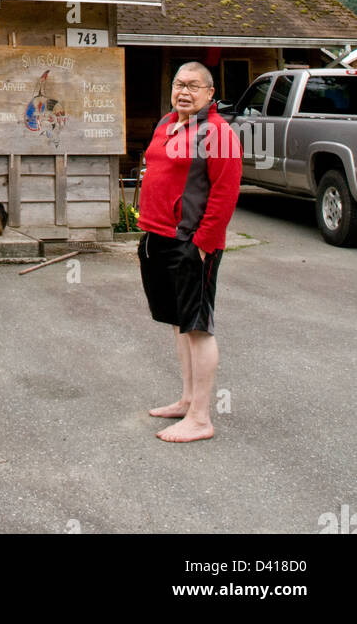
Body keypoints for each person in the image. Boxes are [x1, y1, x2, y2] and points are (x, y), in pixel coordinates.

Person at [137, 62, 242, 442]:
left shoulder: (217, 132)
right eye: (179, 84)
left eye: (194, 86)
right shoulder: (167, 123)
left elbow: (226, 192)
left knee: (198, 327)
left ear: (210, 93)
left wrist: (203, 243)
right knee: (179, 323)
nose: (184, 91)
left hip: (191, 243)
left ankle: (201, 418)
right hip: (158, 236)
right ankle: (186, 400)